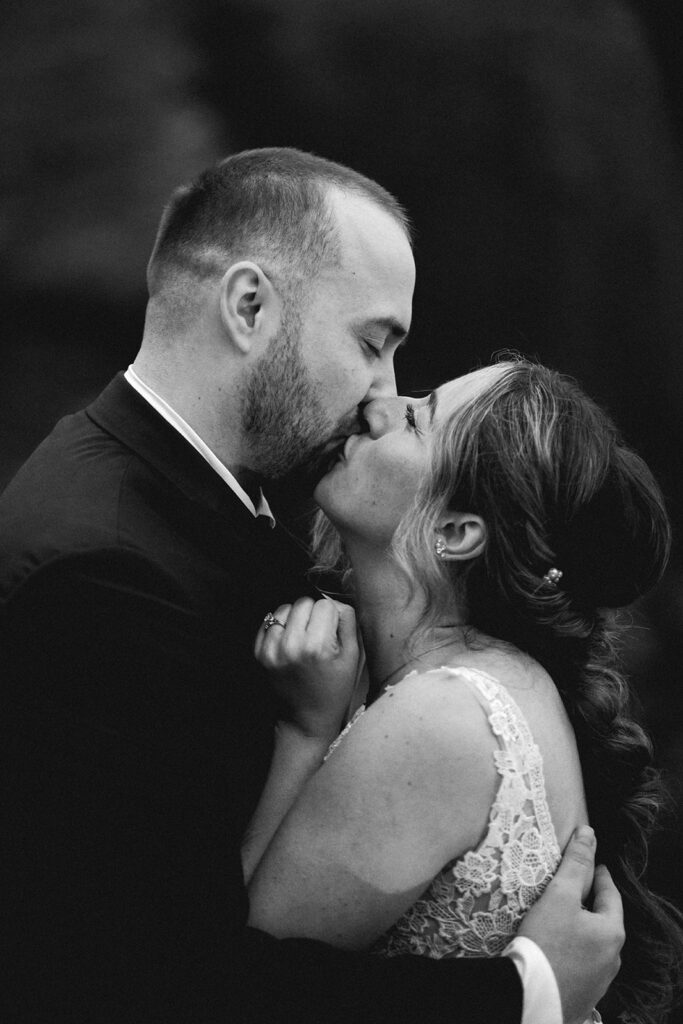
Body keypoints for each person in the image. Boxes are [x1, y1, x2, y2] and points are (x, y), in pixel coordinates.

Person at [1, 150, 621, 1024]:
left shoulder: (230, 507)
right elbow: (137, 980)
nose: (383, 392)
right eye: (372, 344)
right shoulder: (100, 577)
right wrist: (522, 991)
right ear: (249, 306)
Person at [246, 359, 683, 1024]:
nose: (377, 406)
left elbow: (234, 977)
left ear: (455, 533)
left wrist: (306, 734)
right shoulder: (496, 680)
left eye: (416, 419)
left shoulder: (443, 717)